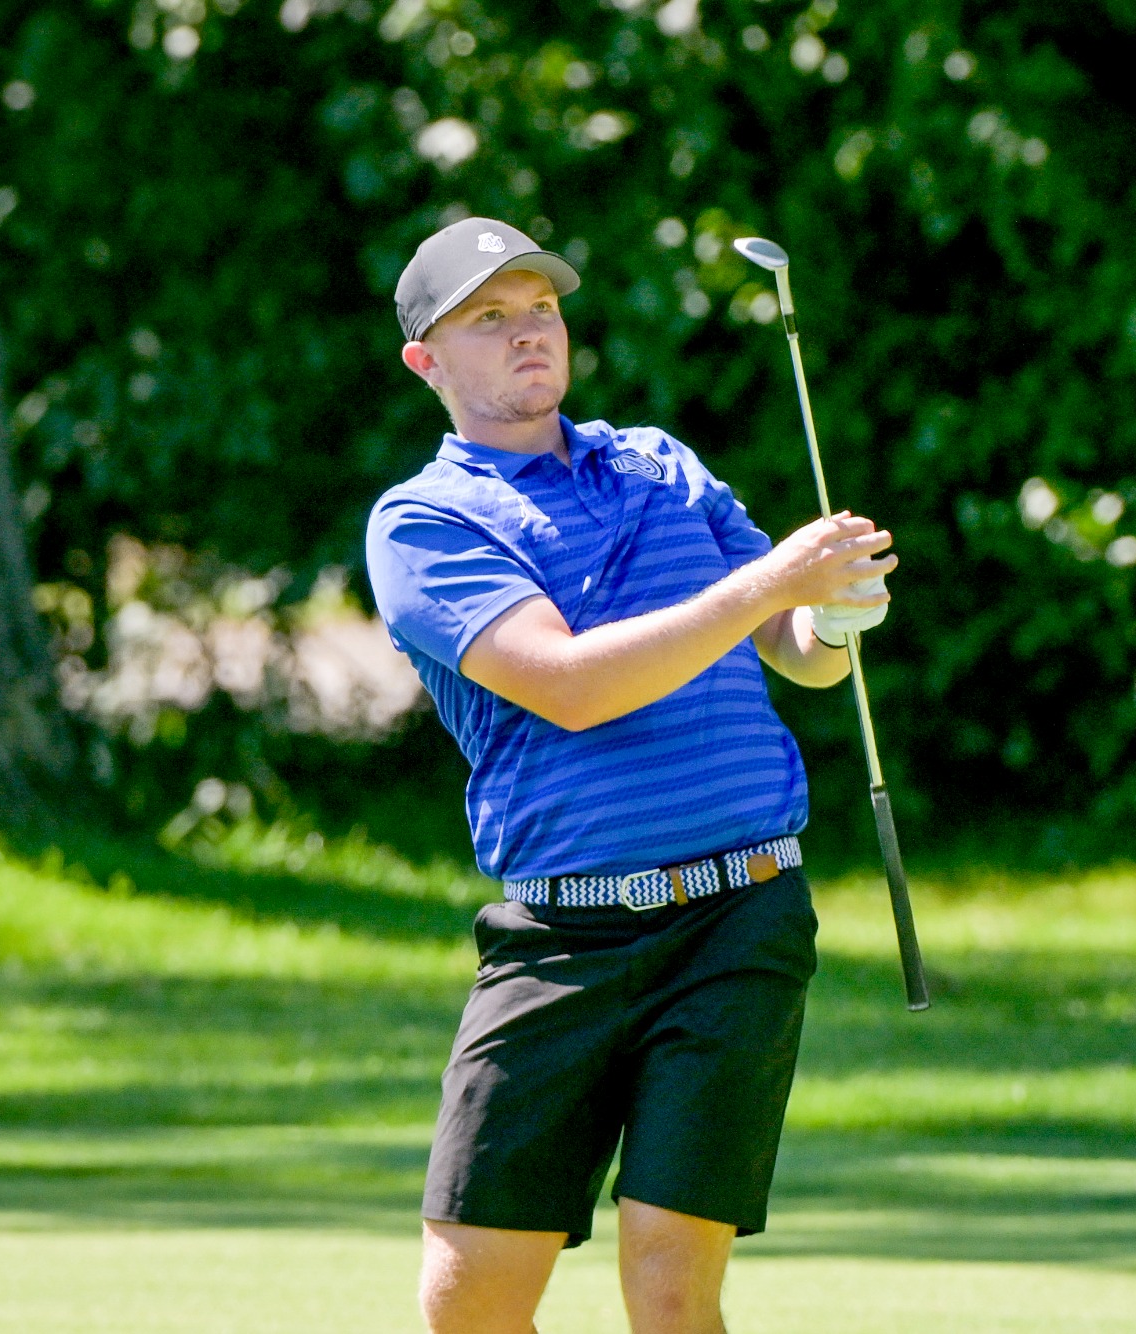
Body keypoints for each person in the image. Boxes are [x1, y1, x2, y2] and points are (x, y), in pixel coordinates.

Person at [364, 216, 896, 1334]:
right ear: (426, 360)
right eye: (489, 318)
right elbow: (568, 684)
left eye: (541, 309)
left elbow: (794, 651)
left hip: (738, 917)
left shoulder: (661, 462)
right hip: (564, 936)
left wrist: (836, 614)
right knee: (468, 1301)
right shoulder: (422, 523)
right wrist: (770, 585)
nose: (528, 333)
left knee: (670, 1284)